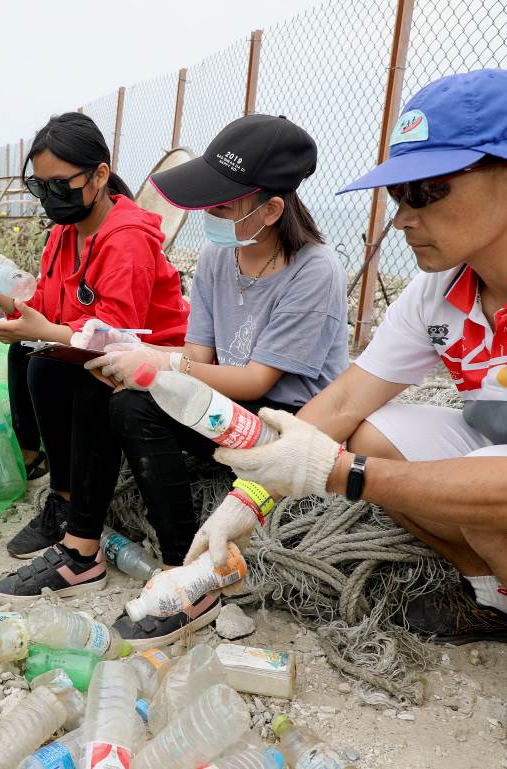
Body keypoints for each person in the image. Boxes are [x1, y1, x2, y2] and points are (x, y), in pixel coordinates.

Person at [191, 70, 507, 757]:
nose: (403, 215)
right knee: (379, 435)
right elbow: (348, 400)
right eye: (397, 193)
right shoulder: (443, 286)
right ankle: (501, 601)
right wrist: (249, 496)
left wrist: (342, 474)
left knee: (493, 485)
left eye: (429, 191)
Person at [73, 114, 348, 646]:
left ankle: (192, 575)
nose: (208, 215)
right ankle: (111, 544)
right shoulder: (219, 257)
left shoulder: (315, 271)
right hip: (227, 406)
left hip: (286, 423)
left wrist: (162, 366)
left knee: (143, 400)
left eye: (221, 206)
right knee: (122, 396)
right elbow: (200, 352)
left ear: (271, 209)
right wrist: (136, 355)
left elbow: (256, 379)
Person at [0, 112, 190, 578]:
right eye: (40, 188)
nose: (50, 199)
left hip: (152, 355)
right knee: (27, 352)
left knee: (61, 370)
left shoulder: (127, 240)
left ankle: (80, 532)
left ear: (99, 175)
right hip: (99, 345)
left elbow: (118, 337)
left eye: (60, 185)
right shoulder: (62, 234)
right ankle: (60, 492)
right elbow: (47, 306)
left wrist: (42, 328)